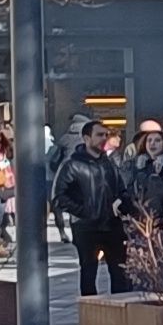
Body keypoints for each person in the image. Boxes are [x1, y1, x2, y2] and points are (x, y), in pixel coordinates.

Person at [53, 121, 127, 299]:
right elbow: (59, 196)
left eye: (105, 135)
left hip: (112, 225)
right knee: (88, 270)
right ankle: (90, 311)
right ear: (87, 138)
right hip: (86, 227)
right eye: (99, 135)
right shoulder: (72, 165)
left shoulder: (109, 163)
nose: (104, 138)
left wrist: (122, 204)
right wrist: (83, 212)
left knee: (119, 272)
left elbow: (122, 189)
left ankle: (122, 308)